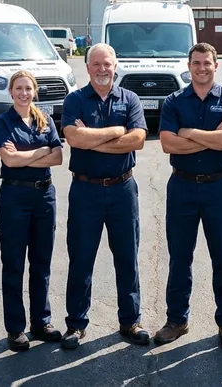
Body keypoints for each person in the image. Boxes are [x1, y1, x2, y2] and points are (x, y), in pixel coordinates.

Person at [60, 42, 151, 350]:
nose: (102, 69)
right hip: (85, 189)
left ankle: (131, 321)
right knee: (81, 258)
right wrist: (116, 132)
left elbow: (138, 138)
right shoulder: (75, 100)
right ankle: (75, 324)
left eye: (107, 64)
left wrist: (92, 139)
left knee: (127, 257)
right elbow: (72, 136)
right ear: (87, 68)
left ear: (115, 66)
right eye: (96, 64)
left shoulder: (130, 99)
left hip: (123, 189)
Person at [155, 42, 222, 349]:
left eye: (207, 62)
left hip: (219, 188)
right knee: (180, 257)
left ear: (215, 65)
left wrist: (189, 132)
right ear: (189, 65)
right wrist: (212, 139)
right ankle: (176, 320)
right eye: (196, 63)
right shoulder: (174, 101)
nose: (202, 68)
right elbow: (168, 143)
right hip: (182, 186)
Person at [0, 70, 65, 352]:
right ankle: (15, 328)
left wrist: (26, 156)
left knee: (41, 262)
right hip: (15, 196)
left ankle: (41, 322)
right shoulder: (2, 121)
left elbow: (57, 157)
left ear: (35, 91)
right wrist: (39, 152)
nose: (23, 93)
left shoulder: (43, 120)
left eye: (28, 88)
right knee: (13, 264)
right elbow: (9, 160)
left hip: (44, 195)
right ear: (11, 92)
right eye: (18, 88)